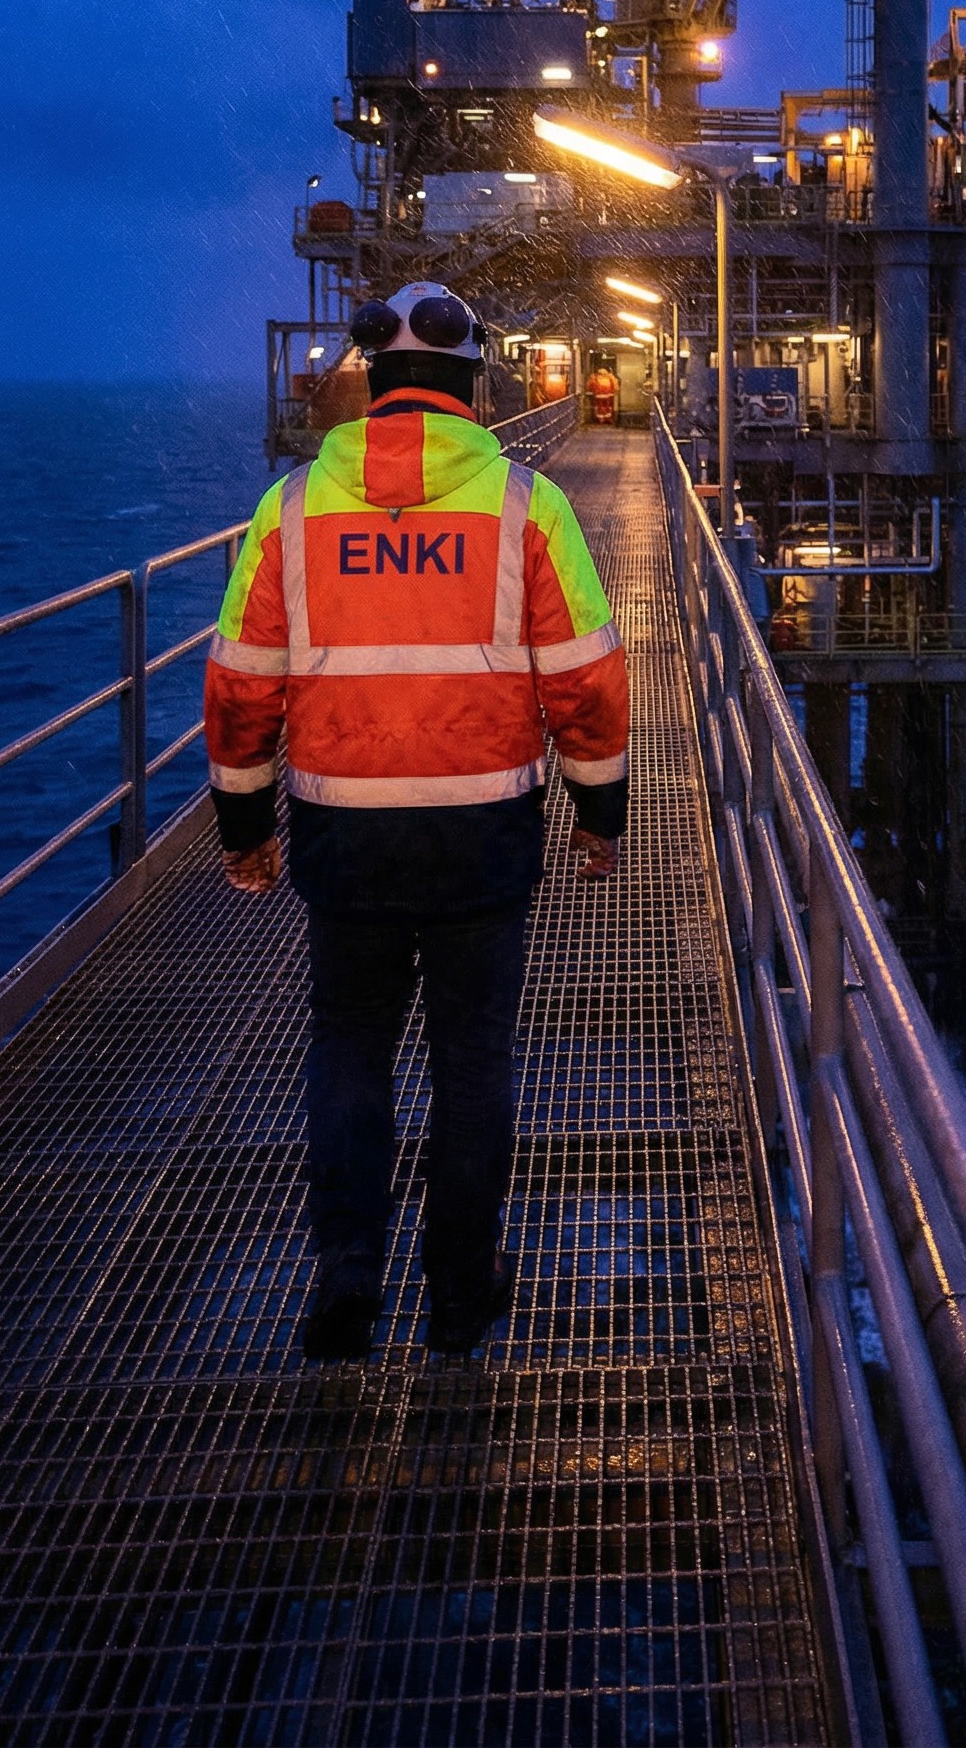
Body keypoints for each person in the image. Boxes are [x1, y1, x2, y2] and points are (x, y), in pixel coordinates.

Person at [204, 282, 628, 1362]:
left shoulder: (293, 506)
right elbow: (584, 677)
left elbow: (242, 683)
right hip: (483, 828)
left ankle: (348, 1272)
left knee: (349, 1046)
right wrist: (599, 809)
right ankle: (460, 1295)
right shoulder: (528, 504)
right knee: (472, 1062)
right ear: (473, 387)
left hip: (343, 829)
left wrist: (243, 826)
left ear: (372, 386)